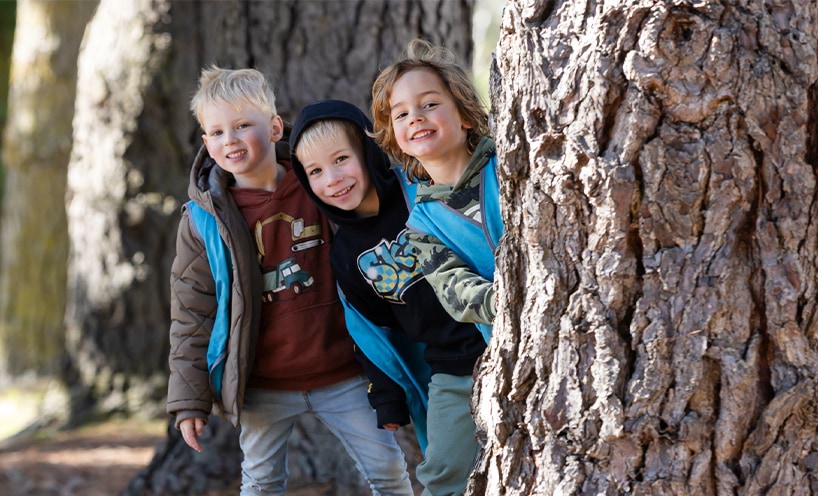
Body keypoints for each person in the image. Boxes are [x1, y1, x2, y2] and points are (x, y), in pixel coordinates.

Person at [166, 66, 413, 496]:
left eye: (243, 125)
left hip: (345, 372)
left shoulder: (317, 182)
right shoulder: (203, 220)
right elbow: (191, 311)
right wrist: (189, 399)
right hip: (263, 383)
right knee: (261, 483)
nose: (231, 139)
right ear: (206, 143)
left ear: (275, 127)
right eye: (218, 132)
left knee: (388, 470)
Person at [289, 99, 488, 496]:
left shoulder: (419, 190)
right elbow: (373, 333)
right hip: (450, 365)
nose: (333, 179)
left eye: (341, 159)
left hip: (497, 332)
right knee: (444, 473)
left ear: (368, 151)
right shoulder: (347, 255)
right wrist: (387, 397)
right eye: (315, 171)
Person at [370, 39, 503, 341]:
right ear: (396, 137)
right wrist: (513, 298)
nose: (415, 117)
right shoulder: (422, 226)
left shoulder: (504, 165)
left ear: (465, 115)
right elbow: (454, 290)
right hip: (516, 340)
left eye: (429, 104)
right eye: (401, 115)